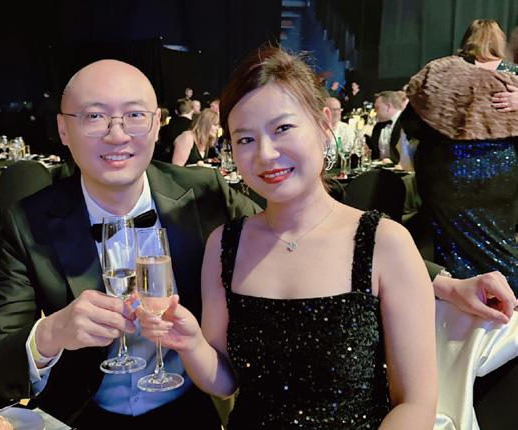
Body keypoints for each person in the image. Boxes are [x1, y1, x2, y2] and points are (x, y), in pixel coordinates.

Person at [138, 46, 437, 429]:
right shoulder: (225, 245)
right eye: (245, 139)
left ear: (323, 125)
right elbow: (225, 383)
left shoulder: (383, 242)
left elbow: (416, 403)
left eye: (282, 129)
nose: (265, 154)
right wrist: (191, 342)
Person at [0, 59, 260, 429]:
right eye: (94, 117)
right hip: (80, 413)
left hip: (190, 407)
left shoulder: (205, 195)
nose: (117, 135)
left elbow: (281, 236)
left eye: (135, 115)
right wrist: (53, 332)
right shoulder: (29, 222)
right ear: (63, 129)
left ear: (156, 124)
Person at [403, 18, 518, 293]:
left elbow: (411, 124)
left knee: (450, 249)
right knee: (501, 245)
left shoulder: (440, 71)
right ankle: (508, 300)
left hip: (445, 175)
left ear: (467, 40)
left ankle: (457, 303)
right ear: (500, 42)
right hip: (502, 176)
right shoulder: (513, 75)